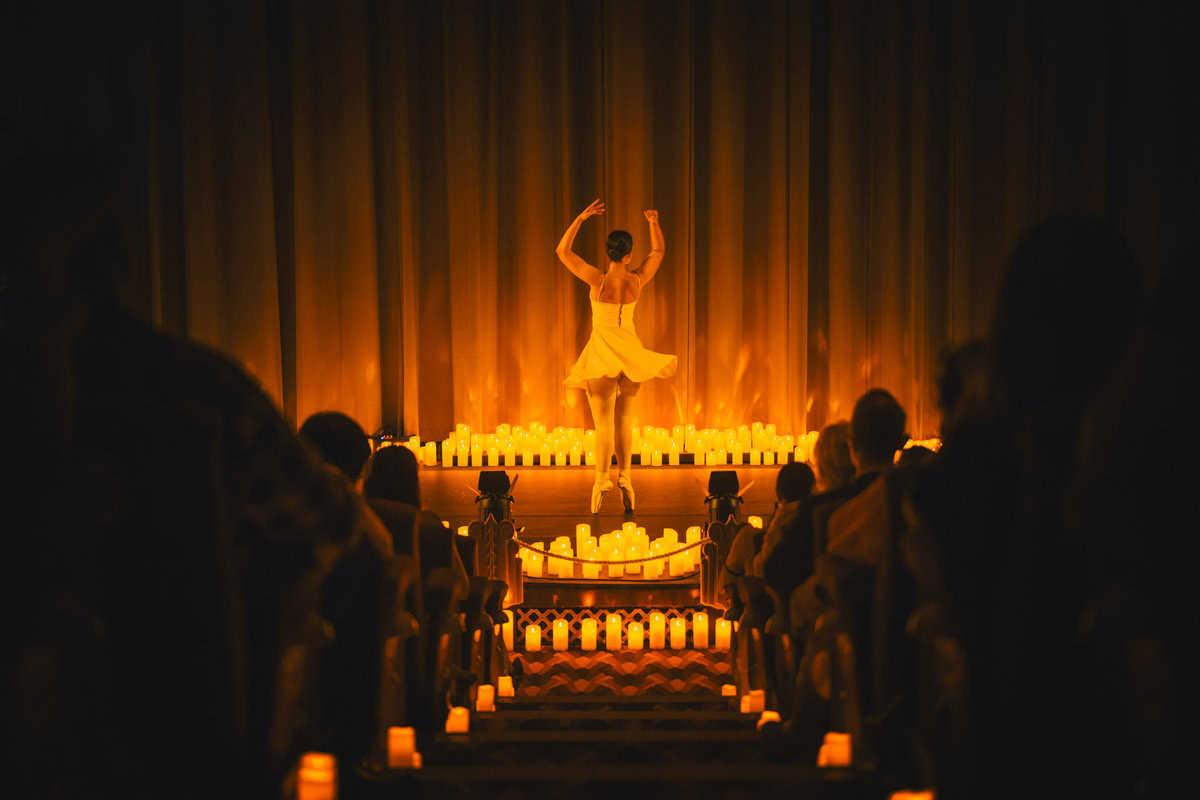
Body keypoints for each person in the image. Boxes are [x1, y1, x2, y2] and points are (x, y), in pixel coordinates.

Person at [557, 199, 677, 513]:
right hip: (630, 354)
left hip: (602, 355)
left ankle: (601, 480)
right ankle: (625, 476)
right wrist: (653, 222)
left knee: (604, 424)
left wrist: (580, 219)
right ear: (628, 254)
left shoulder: (598, 280)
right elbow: (659, 253)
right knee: (625, 419)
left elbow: (563, 252)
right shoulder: (636, 280)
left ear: (608, 252)